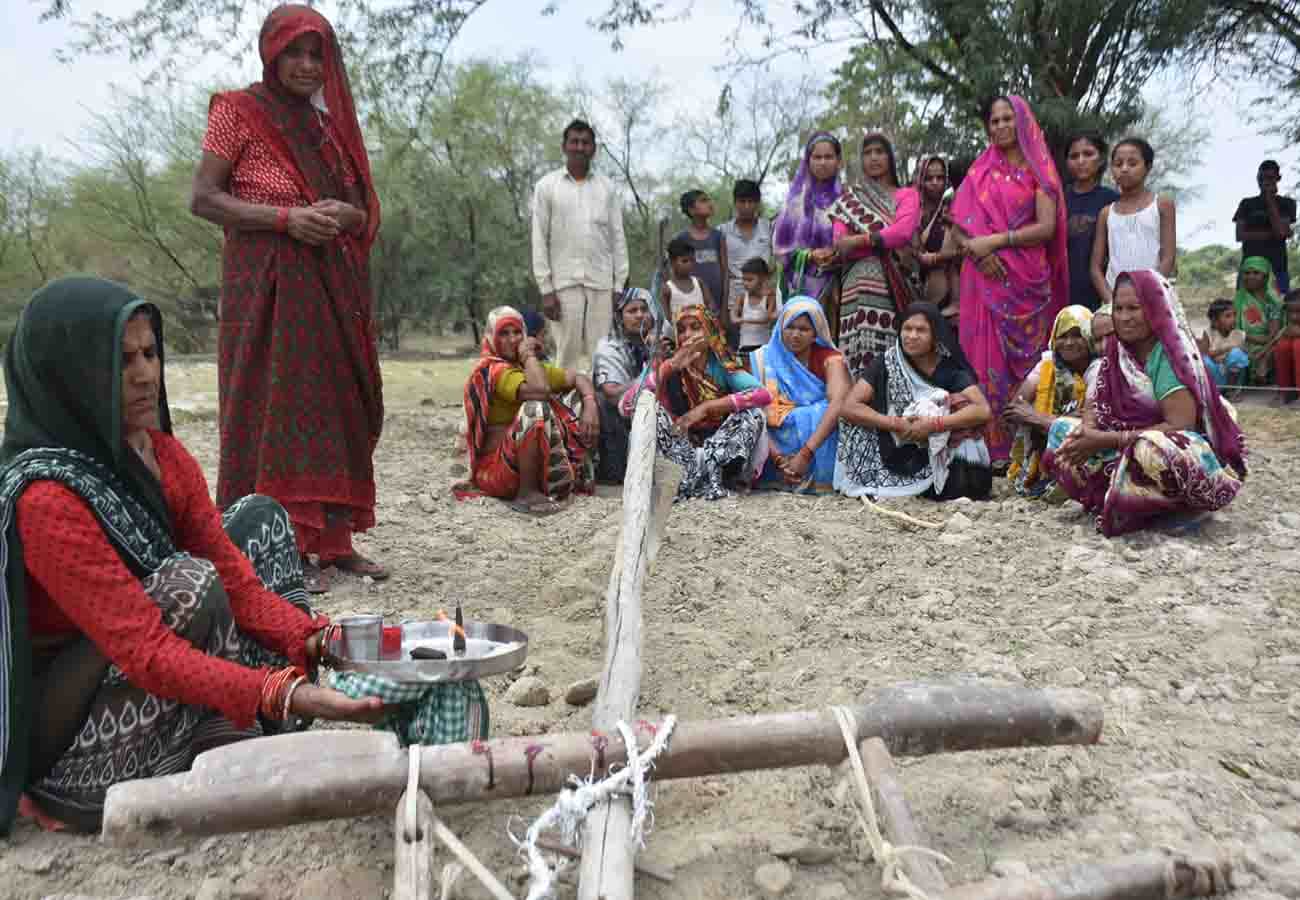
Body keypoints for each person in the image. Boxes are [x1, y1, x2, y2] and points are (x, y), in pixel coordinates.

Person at [0, 277, 394, 834]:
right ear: (67, 376)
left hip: (146, 672)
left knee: (260, 521)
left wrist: (322, 639)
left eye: (149, 353)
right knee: (188, 586)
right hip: (75, 745)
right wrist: (279, 691)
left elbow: (240, 584)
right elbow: (147, 650)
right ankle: (229, 727)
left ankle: (232, 722)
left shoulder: (160, 455)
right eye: (119, 361)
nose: (144, 374)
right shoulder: (46, 497)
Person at [191, 4, 385, 592]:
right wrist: (284, 219)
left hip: (330, 285)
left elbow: (360, 211)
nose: (305, 66)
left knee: (335, 404)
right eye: (293, 52)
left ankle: (333, 542)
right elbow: (204, 198)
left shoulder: (329, 128)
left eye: (316, 55)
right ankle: (279, 543)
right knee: (273, 404)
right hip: (266, 283)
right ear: (270, 53)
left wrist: (343, 214)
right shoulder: (237, 111)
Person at [1042, 270, 1246, 537]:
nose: (1125, 317)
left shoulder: (1170, 353)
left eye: (1134, 308)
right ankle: (1124, 500)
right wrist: (1088, 430)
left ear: (1154, 307)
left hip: (1178, 446)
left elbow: (1179, 424)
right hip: (1123, 443)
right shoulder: (1118, 349)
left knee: (1150, 449)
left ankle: (1179, 508)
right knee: (1062, 432)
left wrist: (1101, 439)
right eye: (1119, 308)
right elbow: (1096, 399)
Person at [950, 95, 1069, 463]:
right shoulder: (980, 169)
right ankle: (986, 447)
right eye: (994, 120)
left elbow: (1047, 228)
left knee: (1029, 362)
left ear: (1023, 123)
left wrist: (996, 242)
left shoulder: (1040, 171)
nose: (1000, 126)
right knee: (983, 358)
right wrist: (978, 253)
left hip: (1026, 281)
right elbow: (957, 228)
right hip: (981, 280)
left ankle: (1026, 447)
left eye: (1007, 119)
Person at [835, 302, 993, 501]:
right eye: (907, 329)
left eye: (921, 330)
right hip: (892, 443)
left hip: (932, 446)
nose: (912, 336)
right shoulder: (887, 362)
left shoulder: (950, 369)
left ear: (936, 335)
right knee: (853, 421)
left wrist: (934, 425)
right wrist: (895, 423)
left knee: (965, 424)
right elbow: (849, 406)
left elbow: (982, 410)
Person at [463, 306, 598, 515]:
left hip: (522, 466)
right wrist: (528, 356)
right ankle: (527, 493)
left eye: (517, 332)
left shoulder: (526, 369)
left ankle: (575, 474)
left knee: (577, 399)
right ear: (491, 337)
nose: (512, 339)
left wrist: (590, 405)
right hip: (498, 472)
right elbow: (540, 391)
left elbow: (579, 378)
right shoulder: (493, 370)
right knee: (535, 408)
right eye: (504, 333)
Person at [531, 119, 630, 368]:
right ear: (564, 146)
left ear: (593, 149)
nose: (579, 147)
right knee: (567, 354)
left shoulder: (607, 188)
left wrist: (619, 284)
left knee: (603, 352)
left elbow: (617, 237)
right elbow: (539, 238)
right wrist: (546, 289)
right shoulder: (547, 186)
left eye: (585, 143)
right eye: (574, 142)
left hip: (602, 283)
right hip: (563, 283)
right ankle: (564, 406)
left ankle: (598, 405)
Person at [651, 306, 772, 501]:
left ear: (710, 331)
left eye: (695, 327)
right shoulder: (669, 364)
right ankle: (684, 479)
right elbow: (630, 402)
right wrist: (670, 366)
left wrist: (706, 407)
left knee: (753, 414)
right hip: (683, 445)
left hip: (719, 446)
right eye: (681, 330)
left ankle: (720, 479)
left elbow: (762, 395)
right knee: (652, 413)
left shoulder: (722, 365)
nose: (687, 335)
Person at [827, 131, 922, 378]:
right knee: (853, 347)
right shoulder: (850, 199)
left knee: (886, 350)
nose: (874, 158)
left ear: (890, 157)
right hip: (854, 285)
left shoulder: (907, 195)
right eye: (867, 153)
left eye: (879, 152)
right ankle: (853, 409)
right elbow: (839, 242)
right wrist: (878, 240)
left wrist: (860, 240)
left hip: (889, 283)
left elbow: (901, 233)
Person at [748, 297, 850, 493]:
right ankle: (779, 473)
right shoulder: (763, 359)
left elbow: (837, 403)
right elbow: (755, 411)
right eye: (790, 327)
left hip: (816, 441)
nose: (795, 335)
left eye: (803, 329)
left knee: (823, 411)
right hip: (774, 441)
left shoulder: (831, 359)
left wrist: (805, 454)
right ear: (780, 327)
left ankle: (816, 478)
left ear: (815, 333)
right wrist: (777, 458)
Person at [1005, 305, 1099, 499]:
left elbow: (1089, 427)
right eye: (1062, 336)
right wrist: (1065, 418)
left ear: (1090, 336)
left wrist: (1037, 418)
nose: (1069, 343)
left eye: (1077, 335)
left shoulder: (1098, 369)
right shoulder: (1048, 365)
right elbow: (1014, 408)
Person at [1090, 137, 1177, 307]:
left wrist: (1149, 294)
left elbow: (1168, 258)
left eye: (1132, 163)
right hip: (1115, 302)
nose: (1124, 169)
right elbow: (1095, 268)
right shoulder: (1106, 213)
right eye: (1118, 164)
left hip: (1154, 297)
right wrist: (1111, 301)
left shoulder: (1162, 205)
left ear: (1148, 167)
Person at [592, 289, 657, 483]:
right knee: (604, 401)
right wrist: (654, 372)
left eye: (644, 309)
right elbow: (612, 393)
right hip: (619, 418)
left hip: (651, 415)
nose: (639, 315)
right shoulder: (609, 347)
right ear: (620, 317)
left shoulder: (656, 341)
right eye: (632, 310)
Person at [773, 132, 843, 303]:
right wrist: (810, 256)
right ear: (808, 161)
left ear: (839, 161)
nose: (823, 162)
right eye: (817, 157)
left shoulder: (848, 200)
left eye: (829, 157)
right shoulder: (794, 203)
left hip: (840, 290)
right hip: (799, 289)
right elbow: (779, 250)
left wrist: (836, 254)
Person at [1063, 133, 1119, 311]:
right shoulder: (1056, 201)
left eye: (1088, 154)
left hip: (1102, 293)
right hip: (1060, 290)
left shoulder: (1114, 200)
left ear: (1101, 159)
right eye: (1074, 156)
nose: (1081, 161)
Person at [720, 179, 775, 342]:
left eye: (751, 201)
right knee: (735, 352)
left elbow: (777, 261)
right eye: (742, 201)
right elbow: (721, 268)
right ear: (735, 203)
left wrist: (766, 284)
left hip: (764, 302)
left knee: (762, 351)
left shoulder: (769, 227)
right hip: (734, 301)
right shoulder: (723, 231)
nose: (746, 206)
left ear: (757, 203)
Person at [1234, 160, 1296, 294]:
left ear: (1278, 178)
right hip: (1250, 269)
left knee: (1277, 311)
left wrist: (1269, 199)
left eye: (1269, 178)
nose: (1264, 182)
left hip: (1277, 269)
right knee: (1246, 311)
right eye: (1261, 178)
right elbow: (1239, 235)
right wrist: (1274, 234)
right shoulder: (1247, 203)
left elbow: (1280, 232)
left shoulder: (1287, 203)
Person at [912, 153, 961, 321]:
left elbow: (964, 248)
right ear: (920, 179)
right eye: (929, 178)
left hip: (951, 287)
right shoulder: (911, 211)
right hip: (915, 288)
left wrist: (935, 258)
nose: (935, 182)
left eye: (940, 177)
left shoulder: (954, 206)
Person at [676, 190, 728, 323]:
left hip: (717, 306)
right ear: (692, 210)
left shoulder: (718, 236)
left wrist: (723, 309)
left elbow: (725, 273)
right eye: (703, 201)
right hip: (692, 306)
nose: (710, 204)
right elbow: (678, 275)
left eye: (709, 200)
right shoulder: (682, 239)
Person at [1234, 255, 1284, 384]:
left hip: (1267, 345)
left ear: (1266, 276)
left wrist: (1246, 336)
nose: (1250, 276)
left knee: (1275, 350)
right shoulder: (1238, 300)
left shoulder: (1273, 303)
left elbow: (1273, 337)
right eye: (1246, 273)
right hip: (1241, 343)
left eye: (1256, 273)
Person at [1197, 298, 1249, 390]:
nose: (1233, 319)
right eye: (1228, 316)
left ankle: (1232, 389)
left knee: (1237, 354)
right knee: (1205, 361)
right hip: (1217, 375)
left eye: (1234, 315)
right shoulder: (1209, 333)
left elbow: (1245, 354)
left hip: (1232, 377)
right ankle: (1214, 390)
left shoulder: (1239, 334)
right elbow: (1204, 354)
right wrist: (1226, 349)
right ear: (1215, 321)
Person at [662, 237, 713, 320]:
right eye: (684, 261)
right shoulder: (667, 288)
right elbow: (667, 317)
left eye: (692, 260)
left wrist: (708, 315)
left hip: (702, 330)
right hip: (681, 331)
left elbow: (710, 303)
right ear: (672, 262)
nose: (689, 264)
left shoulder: (699, 282)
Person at [735, 258, 779, 354]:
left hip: (763, 345)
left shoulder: (769, 297)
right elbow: (733, 318)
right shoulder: (742, 297)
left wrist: (744, 320)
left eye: (750, 280)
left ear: (762, 278)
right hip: (744, 345)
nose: (745, 283)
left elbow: (766, 319)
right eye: (744, 279)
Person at [1271, 291, 1300, 403]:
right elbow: (1274, 341)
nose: (1294, 316)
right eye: (1290, 312)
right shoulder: (1288, 327)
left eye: (1298, 312)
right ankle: (1286, 392)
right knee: (1282, 346)